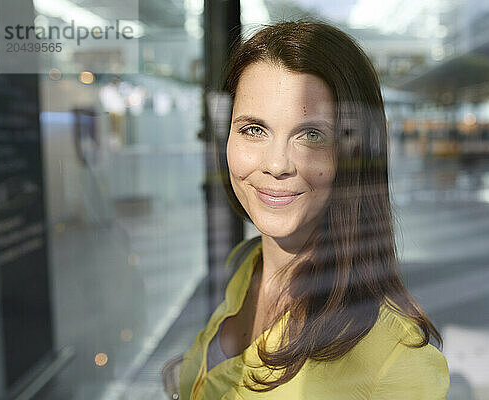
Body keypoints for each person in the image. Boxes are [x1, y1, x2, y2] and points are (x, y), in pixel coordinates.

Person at [179, 20, 450, 399]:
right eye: (254, 129)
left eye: (311, 135)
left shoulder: (397, 364)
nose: (277, 164)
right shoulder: (244, 267)